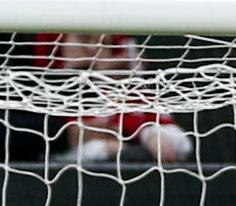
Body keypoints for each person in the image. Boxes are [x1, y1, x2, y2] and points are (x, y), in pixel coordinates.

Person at [45, 33, 193, 164]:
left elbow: (182, 142)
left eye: (105, 44)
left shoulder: (137, 93)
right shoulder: (57, 92)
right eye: (84, 40)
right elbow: (71, 140)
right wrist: (107, 148)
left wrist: (151, 133)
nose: (93, 50)